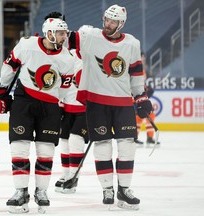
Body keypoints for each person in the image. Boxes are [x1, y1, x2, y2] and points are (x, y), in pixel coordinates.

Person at [67, 4, 153, 210]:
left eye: (113, 21)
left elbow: (135, 73)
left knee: (127, 146)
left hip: (123, 103)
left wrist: (140, 96)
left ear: (121, 24)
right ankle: (107, 189)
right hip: (97, 103)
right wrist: (53, 29)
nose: (108, 24)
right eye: (106, 20)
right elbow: (65, 39)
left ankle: (124, 189)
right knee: (102, 145)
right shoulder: (90, 36)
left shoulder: (132, 43)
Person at [0, 18, 74, 213]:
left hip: (49, 106)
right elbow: (10, 66)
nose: (64, 36)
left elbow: (64, 87)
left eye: (65, 33)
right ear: (50, 33)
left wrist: (54, 102)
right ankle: (20, 192)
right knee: (19, 147)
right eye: (61, 33)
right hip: (24, 102)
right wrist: (2, 92)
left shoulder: (67, 59)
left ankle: (41, 191)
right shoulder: (27, 45)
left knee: (46, 151)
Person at [54, 48, 89, 194]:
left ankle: (74, 177)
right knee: (64, 141)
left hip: (85, 111)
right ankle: (66, 173)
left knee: (75, 141)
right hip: (67, 109)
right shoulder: (66, 55)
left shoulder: (91, 57)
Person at [134, 52, 160, 145]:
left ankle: (148, 137)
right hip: (135, 97)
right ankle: (135, 137)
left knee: (148, 114)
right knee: (139, 116)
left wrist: (147, 88)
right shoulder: (134, 67)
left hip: (139, 96)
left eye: (144, 57)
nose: (143, 58)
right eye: (142, 56)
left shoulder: (142, 69)